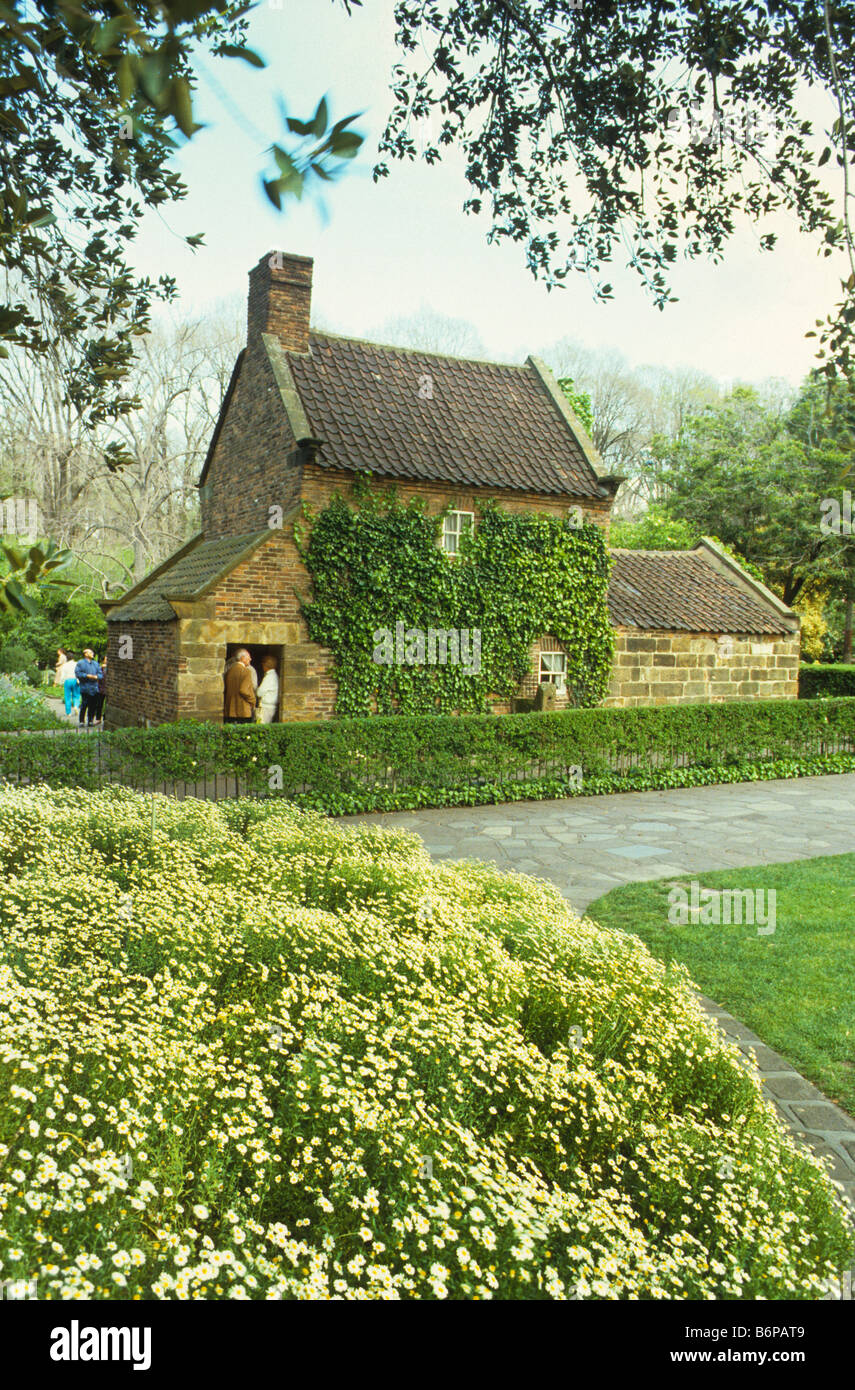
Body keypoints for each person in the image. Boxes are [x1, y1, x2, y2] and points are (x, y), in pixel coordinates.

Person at [223, 648, 257, 723]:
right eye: (249, 657)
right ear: (242, 658)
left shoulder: (230, 671)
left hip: (230, 709)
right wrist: (253, 700)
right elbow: (243, 690)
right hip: (243, 709)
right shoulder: (246, 671)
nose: (250, 659)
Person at [75, 648, 103, 727]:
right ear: (85, 654)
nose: (92, 654)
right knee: (84, 704)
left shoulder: (96, 664)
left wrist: (96, 677)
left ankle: (90, 720)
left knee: (93, 705)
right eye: (90, 652)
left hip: (94, 688)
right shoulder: (80, 663)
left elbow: (100, 674)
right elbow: (78, 673)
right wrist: (87, 676)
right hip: (85, 687)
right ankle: (81, 721)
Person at [56, 649, 80, 716]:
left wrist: (61, 683)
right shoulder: (77, 664)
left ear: (67, 658)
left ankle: (68, 712)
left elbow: (62, 675)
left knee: (67, 697)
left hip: (67, 680)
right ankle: (76, 706)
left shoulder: (65, 665)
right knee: (76, 695)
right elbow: (79, 673)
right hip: (75, 680)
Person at [256, 654, 279, 724]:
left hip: (266, 707)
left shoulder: (269, 677)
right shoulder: (274, 675)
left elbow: (259, 693)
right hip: (270, 707)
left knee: (261, 727)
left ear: (266, 665)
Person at [93, 655, 107, 726]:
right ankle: (98, 719)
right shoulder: (100, 668)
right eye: (106, 659)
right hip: (101, 689)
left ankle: (105, 718)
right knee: (99, 704)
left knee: (107, 705)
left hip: (108, 689)